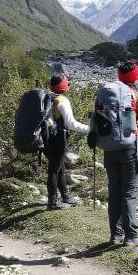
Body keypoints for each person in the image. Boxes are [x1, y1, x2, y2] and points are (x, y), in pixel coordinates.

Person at [89, 61, 138, 245]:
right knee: (129, 192)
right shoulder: (137, 97)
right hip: (129, 148)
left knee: (114, 190)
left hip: (109, 147)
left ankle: (115, 235)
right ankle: (131, 236)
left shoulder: (107, 95)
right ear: (136, 77)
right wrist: (135, 134)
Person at [46, 73, 81, 211]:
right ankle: (52, 203)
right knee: (54, 169)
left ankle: (66, 196)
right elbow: (71, 124)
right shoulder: (62, 100)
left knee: (59, 166)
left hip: (45, 138)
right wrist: (90, 129)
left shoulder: (46, 97)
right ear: (64, 86)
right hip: (58, 138)